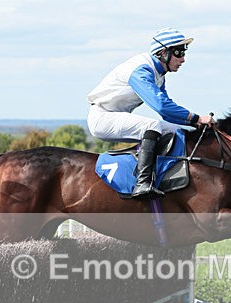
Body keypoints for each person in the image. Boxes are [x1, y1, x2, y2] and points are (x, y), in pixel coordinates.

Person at [87, 28, 215, 198]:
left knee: (174, 130)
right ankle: (143, 183)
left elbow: (168, 114)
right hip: (102, 118)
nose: (183, 59)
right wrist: (196, 118)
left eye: (183, 53)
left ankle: (169, 177)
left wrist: (195, 124)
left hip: (114, 116)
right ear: (163, 53)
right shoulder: (141, 70)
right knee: (152, 125)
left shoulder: (159, 74)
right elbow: (161, 106)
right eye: (178, 53)